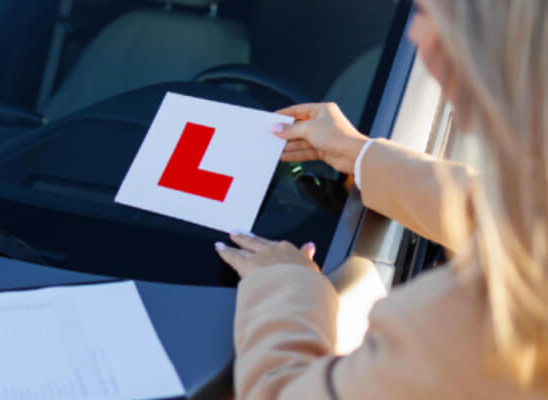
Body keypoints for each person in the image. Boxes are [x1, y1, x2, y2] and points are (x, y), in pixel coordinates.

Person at [214, 0, 548, 398]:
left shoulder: (477, 320)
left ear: (483, 44)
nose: (414, 33)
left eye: (425, 13)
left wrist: (285, 284)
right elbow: (510, 216)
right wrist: (358, 154)